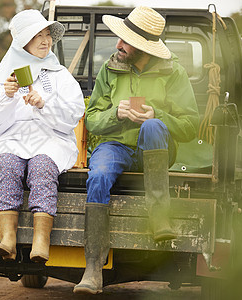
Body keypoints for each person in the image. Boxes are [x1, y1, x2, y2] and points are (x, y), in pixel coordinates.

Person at [73, 6, 200, 295]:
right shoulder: (110, 68)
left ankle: (159, 217)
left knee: (152, 127)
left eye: (125, 41)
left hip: (154, 148)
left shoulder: (173, 72)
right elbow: (91, 119)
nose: (118, 44)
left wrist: (158, 116)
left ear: (144, 48)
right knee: (99, 173)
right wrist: (115, 115)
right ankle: (93, 266)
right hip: (115, 146)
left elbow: (191, 126)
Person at [0, 9, 85, 263]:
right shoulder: (5, 77)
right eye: (38, 35)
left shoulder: (60, 76)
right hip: (14, 140)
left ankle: (41, 241)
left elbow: (74, 114)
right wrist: (6, 96)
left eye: (47, 34)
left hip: (51, 141)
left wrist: (43, 103)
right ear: (22, 41)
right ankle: (8, 240)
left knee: (41, 167)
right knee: (4, 164)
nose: (45, 40)